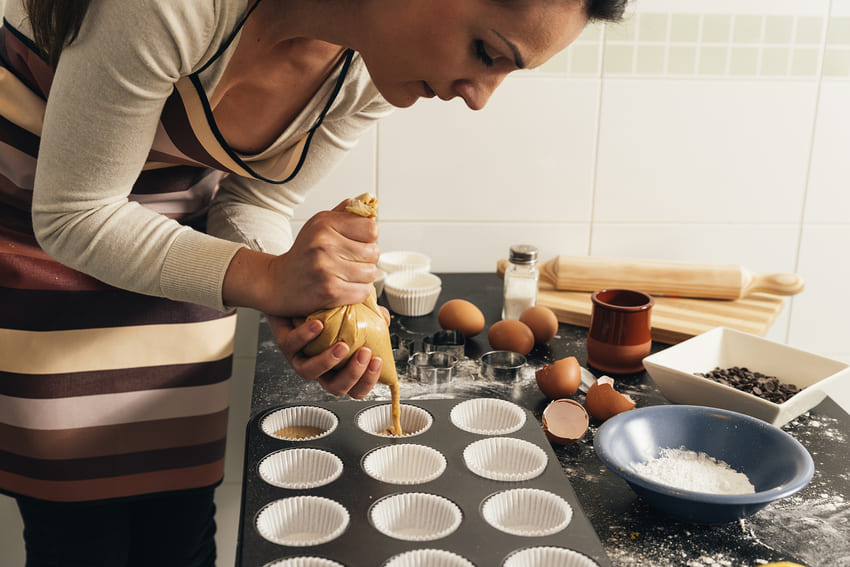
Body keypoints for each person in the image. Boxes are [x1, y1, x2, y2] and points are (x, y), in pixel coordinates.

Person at [0, 0, 628, 565]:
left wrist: (297, 306)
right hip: (42, 266)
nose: (480, 96)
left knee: (180, 530)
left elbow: (254, 202)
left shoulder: (370, 68)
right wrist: (269, 276)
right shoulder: (174, 8)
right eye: (487, 53)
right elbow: (73, 213)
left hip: (184, 275)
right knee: (81, 541)